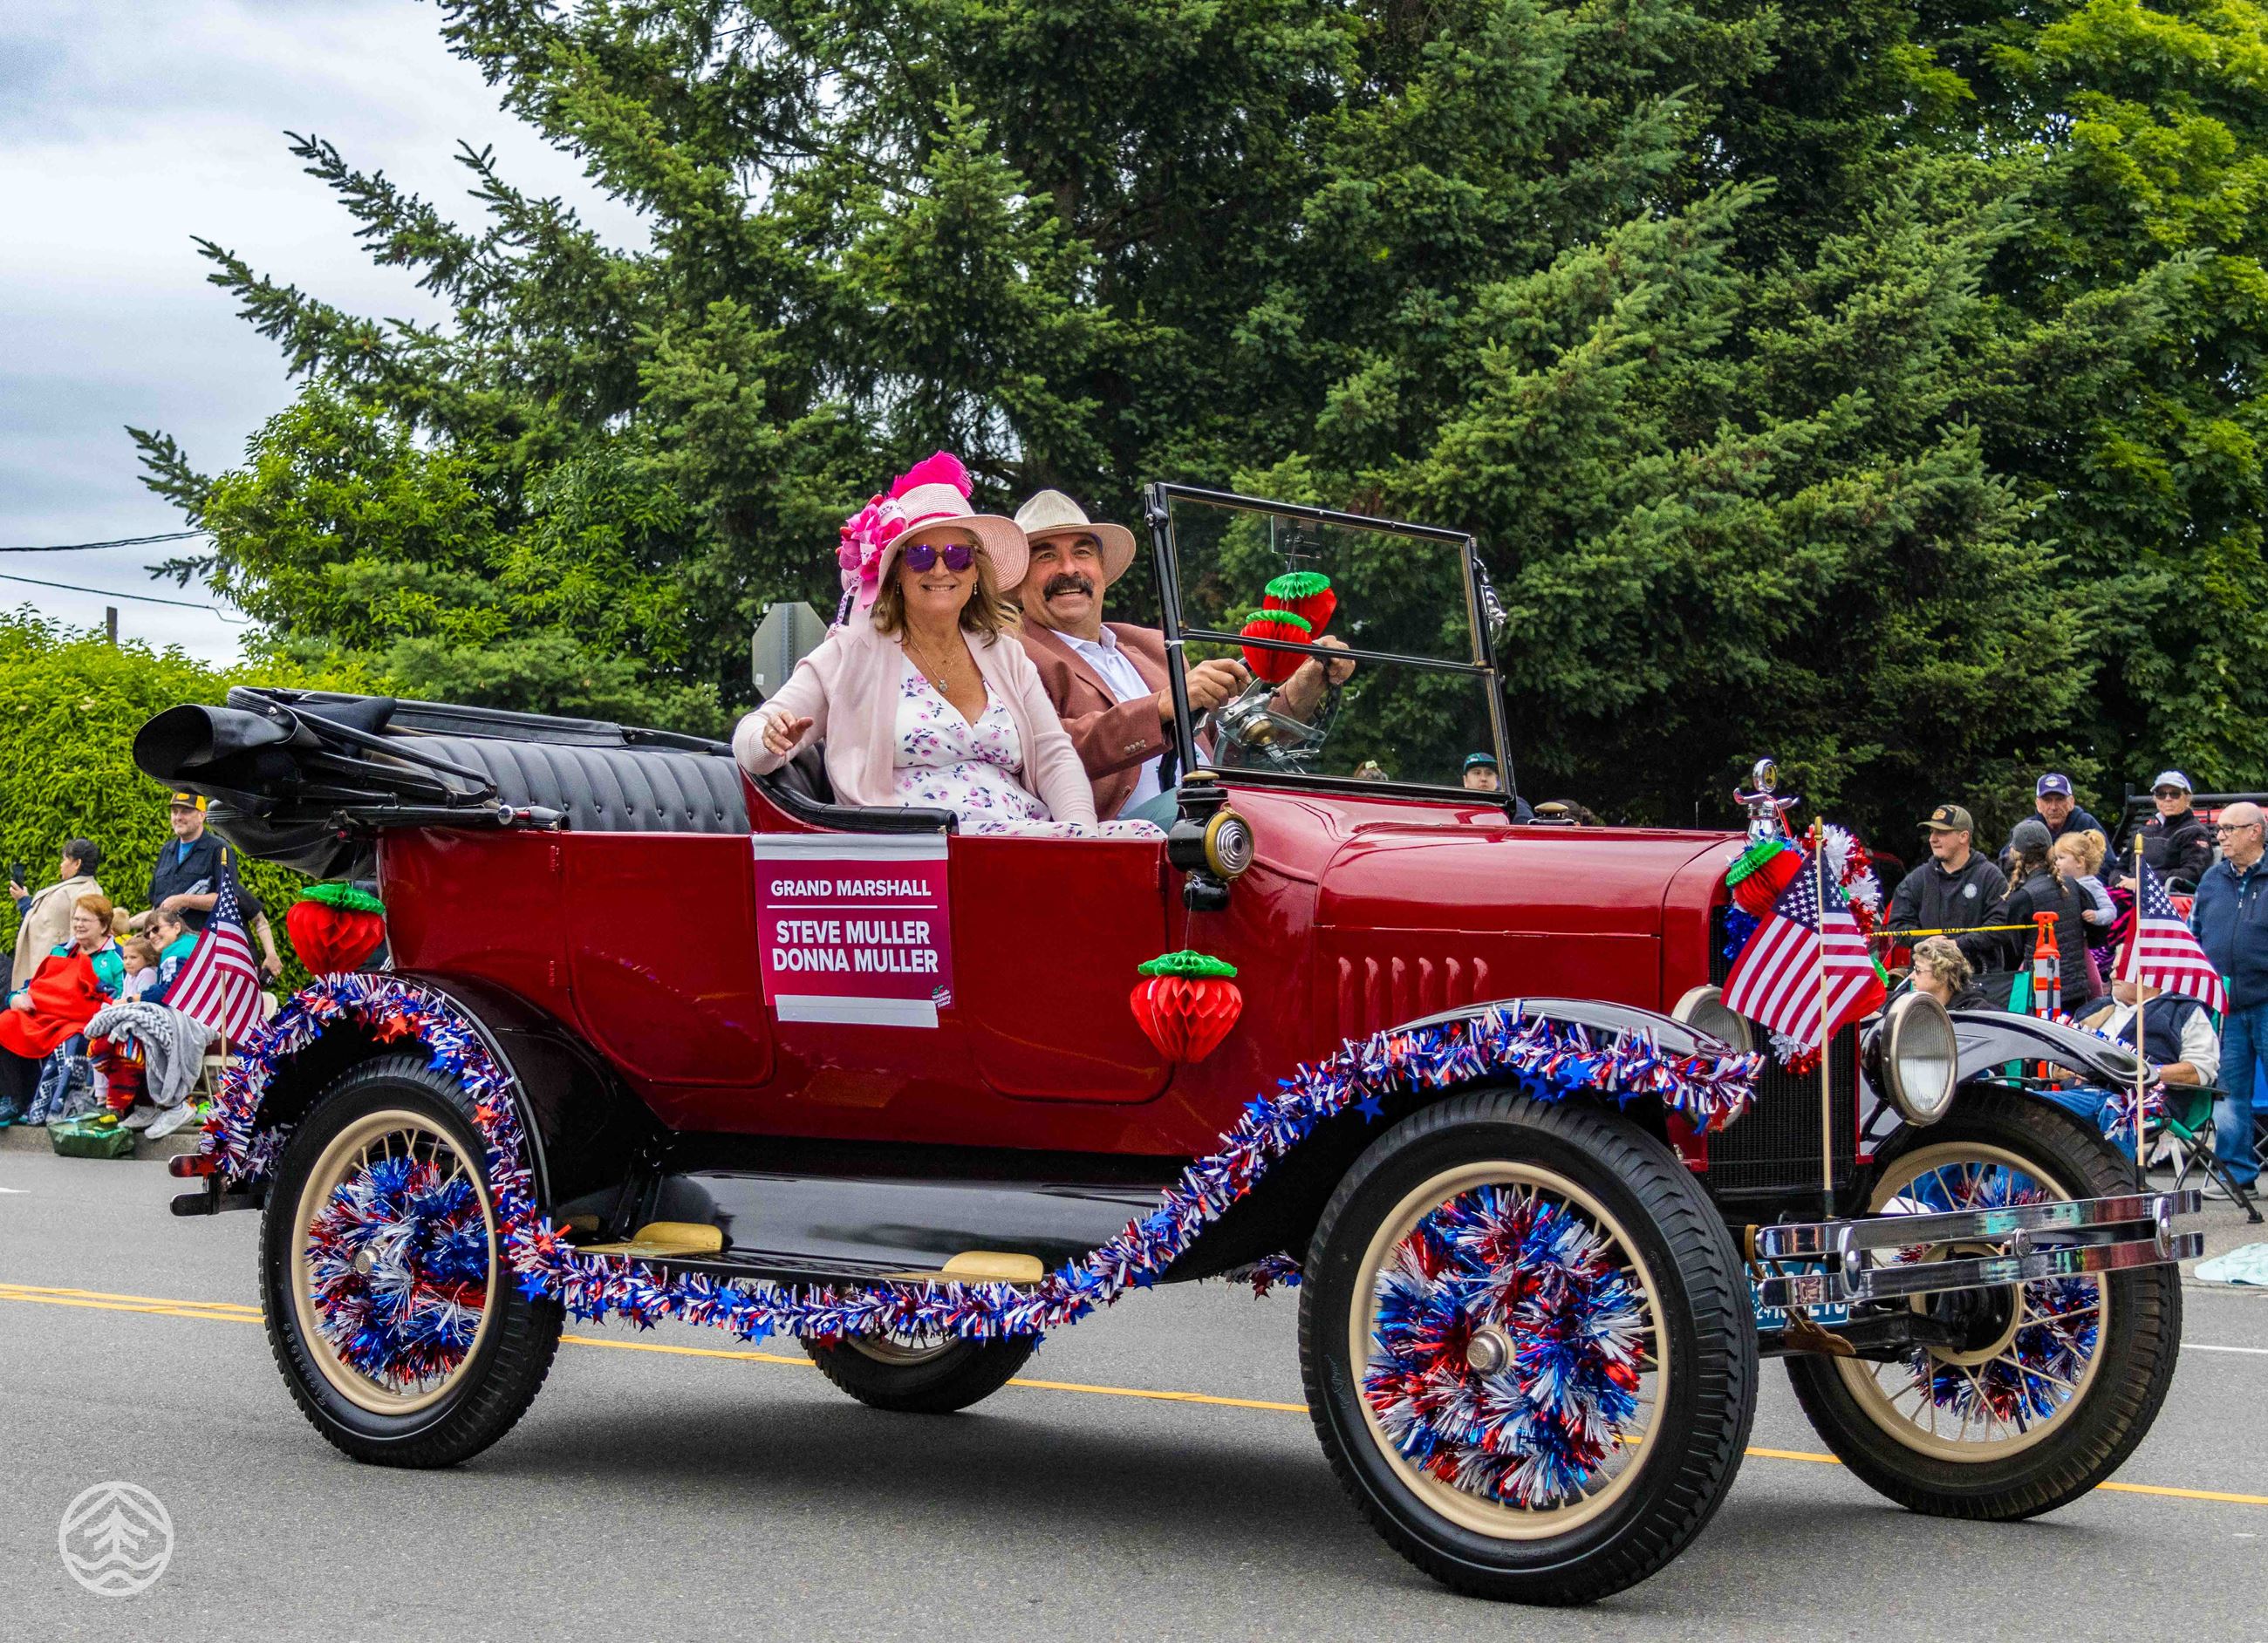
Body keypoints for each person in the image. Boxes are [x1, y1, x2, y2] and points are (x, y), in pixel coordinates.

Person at [737, 460, 1151, 836]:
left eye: (957, 555)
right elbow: (751, 740)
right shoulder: (850, 653)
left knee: (1147, 838)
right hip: (919, 849)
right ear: (897, 572)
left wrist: (1082, 834)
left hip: (1024, 836)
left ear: (975, 572)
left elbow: (1054, 755)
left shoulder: (1005, 655)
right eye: (919, 556)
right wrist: (770, 739)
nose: (940, 569)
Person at [1010, 490, 1352, 822]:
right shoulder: (1009, 652)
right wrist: (1161, 706)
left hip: (1211, 817)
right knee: (1245, 815)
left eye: (1082, 552)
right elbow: (1043, 752)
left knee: (1326, 814)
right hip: (1120, 834)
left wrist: (1306, 684)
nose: (1069, 569)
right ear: (1017, 579)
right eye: (1046, 556)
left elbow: (1228, 746)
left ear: (1101, 570)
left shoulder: (1152, 646)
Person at [2191, 799, 2268, 1196]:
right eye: (2218, 830)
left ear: (2255, 831)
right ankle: (2238, 1175)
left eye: (2228, 829)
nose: (2220, 837)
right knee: (2230, 1092)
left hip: (2267, 1000)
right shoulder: (2212, 879)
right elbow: (2196, 933)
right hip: (2227, 1006)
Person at [2, 894, 123, 1125]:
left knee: (73, 1039)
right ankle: (15, 1098)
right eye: (76, 919)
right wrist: (15, 998)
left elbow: (120, 997)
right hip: (45, 1016)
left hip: (84, 1020)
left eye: (86, 920)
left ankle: (50, 1104)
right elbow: (33, 986)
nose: (78, 924)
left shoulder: (117, 957)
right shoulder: (60, 952)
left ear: (104, 925)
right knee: (6, 1022)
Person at [1990, 818, 2097, 1010]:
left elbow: (2012, 956)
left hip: (2040, 993)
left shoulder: (2022, 897)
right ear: (2050, 849)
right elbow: (2098, 931)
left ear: (2015, 852)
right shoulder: (2071, 884)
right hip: (2078, 991)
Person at [1885, 804, 2008, 966]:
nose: (1932, 839)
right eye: (1931, 832)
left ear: (1964, 836)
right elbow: (1897, 926)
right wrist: (1927, 941)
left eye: (1941, 832)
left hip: (1980, 979)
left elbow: (2000, 926)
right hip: (1928, 979)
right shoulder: (1917, 879)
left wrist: (1957, 945)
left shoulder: (1990, 877)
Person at [2078, 978, 2218, 1087]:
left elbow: (2199, 1070)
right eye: (2113, 969)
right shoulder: (2095, 1009)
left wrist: (2143, 1074)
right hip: (2080, 1093)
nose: (2112, 976)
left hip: (2142, 1102)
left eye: (2121, 970)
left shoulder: (2183, 1009)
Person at [9, 838, 105, 989]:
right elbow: (43, 920)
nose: (61, 864)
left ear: (77, 863)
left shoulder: (87, 891)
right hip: (43, 966)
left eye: (65, 859)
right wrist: (23, 901)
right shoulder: (74, 887)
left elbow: (83, 939)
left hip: (55, 972)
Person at [143, 792, 227, 931]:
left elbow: (228, 901)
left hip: (201, 943)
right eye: (174, 812)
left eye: (186, 811)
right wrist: (127, 922)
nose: (178, 817)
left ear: (202, 815)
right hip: (166, 943)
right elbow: (156, 906)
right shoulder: (166, 850)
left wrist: (183, 900)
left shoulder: (218, 849)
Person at [2117, 770, 2215, 889]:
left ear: (2187, 798)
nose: (2168, 799)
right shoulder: (2142, 832)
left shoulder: (2195, 832)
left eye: (2175, 794)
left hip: (2165, 899)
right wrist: (2120, 883)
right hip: (2126, 894)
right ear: (2155, 799)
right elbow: (2119, 868)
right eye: (2161, 794)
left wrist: (2144, 882)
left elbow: (2192, 874)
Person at [2005, 774, 2107, 856]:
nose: (2053, 807)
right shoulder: (2027, 829)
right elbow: (2005, 862)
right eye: (2047, 800)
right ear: (2038, 804)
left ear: (2071, 802)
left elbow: (2108, 864)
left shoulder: (2087, 824)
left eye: (2060, 799)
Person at [1905, 936, 1998, 1012]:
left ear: (1942, 975)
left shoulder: (1977, 1014)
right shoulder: (1910, 1008)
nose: (1911, 977)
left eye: (1918, 970)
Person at [120, 936, 161, 1002]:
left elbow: (142, 1003)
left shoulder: (147, 973)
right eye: (125, 958)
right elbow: (123, 998)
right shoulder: (130, 975)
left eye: (133, 957)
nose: (127, 962)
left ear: (147, 958)